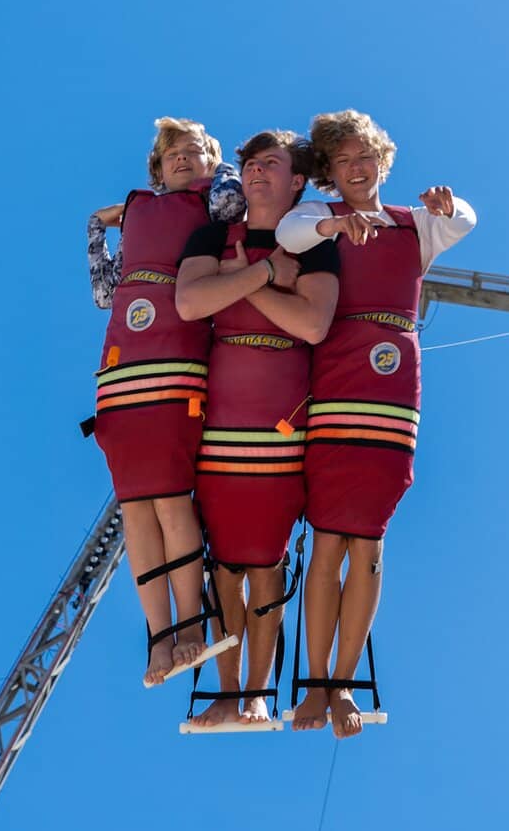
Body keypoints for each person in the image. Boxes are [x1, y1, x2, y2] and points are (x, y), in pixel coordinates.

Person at [275, 109, 476, 738]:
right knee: (328, 537)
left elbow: (464, 219)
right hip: (336, 379)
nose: (357, 168)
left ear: (382, 162)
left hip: (393, 386)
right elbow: (290, 231)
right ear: (330, 172)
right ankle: (314, 684)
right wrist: (337, 219)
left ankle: (342, 686)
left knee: (369, 537)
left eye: (366, 157)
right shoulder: (320, 219)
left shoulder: (414, 226)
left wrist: (449, 200)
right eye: (344, 161)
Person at [176, 130, 339, 727]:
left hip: (281, 420)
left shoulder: (315, 242)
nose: (256, 172)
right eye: (249, 164)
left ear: (298, 180)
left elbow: (314, 325)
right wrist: (269, 272)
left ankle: (257, 695)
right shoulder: (213, 236)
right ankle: (224, 697)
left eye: (271, 164)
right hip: (218, 420)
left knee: (267, 559)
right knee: (225, 561)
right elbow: (190, 304)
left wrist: (252, 279)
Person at [88, 117, 245, 687]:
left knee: (173, 501)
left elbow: (233, 199)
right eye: (170, 154)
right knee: (136, 511)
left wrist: (219, 161)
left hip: (176, 361)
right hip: (121, 368)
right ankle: (158, 638)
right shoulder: (141, 211)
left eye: (193, 151)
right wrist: (96, 227)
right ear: (155, 168)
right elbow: (105, 292)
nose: (181, 159)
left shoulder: (217, 200)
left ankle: (192, 627)